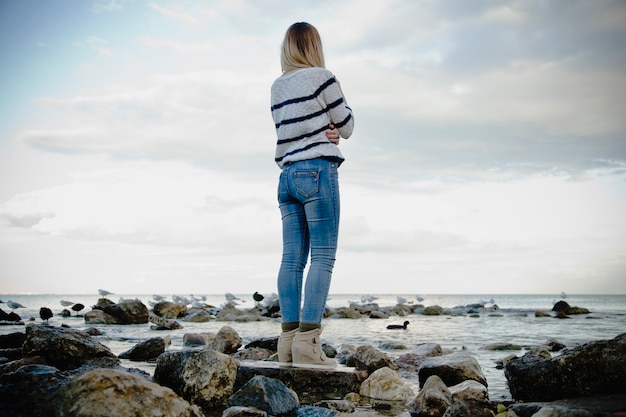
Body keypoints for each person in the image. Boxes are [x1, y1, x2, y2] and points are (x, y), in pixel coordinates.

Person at [270, 22, 354, 369]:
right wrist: (332, 130)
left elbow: (292, 128)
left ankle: (287, 344)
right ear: (314, 47)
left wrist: (325, 128)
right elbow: (346, 125)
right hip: (316, 171)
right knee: (322, 256)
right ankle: (308, 344)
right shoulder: (323, 76)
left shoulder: (277, 86)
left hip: (286, 177)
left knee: (292, 260)